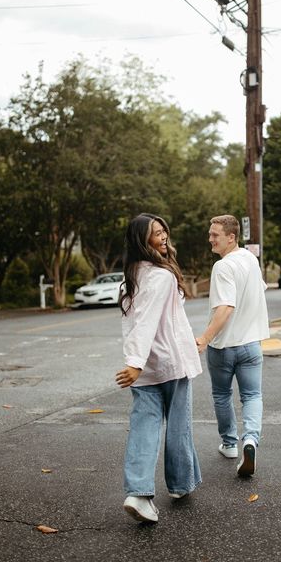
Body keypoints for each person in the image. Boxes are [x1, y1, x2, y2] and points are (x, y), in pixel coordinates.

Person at [115, 213, 202, 523]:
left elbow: (147, 321)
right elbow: (147, 320)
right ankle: (179, 486)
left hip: (148, 365)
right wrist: (135, 364)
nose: (163, 236)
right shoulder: (162, 276)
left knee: (144, 427)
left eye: (164, 229)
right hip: (168, 364)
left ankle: (138, 494)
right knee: (178, 427)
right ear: (143, 241)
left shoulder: (132, 276)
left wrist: (137, 362)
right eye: (155, 233)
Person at [196, 215, 269, 476]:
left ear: (231, 237)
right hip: (251, 344)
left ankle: (230, 444)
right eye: (210, 233)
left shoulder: (223, 267)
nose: (210, 239)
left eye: (215, 235)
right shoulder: (250, 259)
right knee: (252, 395)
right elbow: (260, 290)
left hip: (224, 347)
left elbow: (226, 307)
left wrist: (204, 338)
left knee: (222, 395)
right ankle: (250, 440)